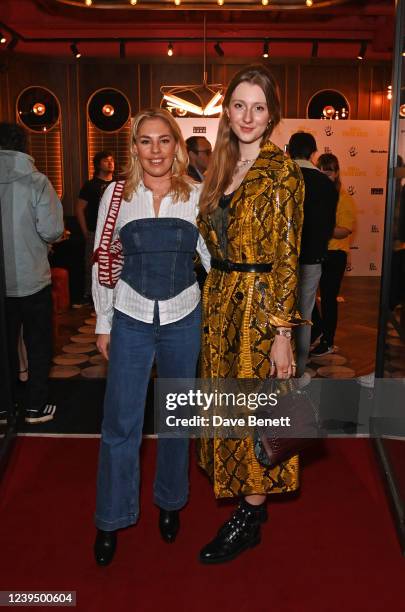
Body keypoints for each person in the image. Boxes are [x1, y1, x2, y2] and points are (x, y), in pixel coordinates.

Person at [197, 65, 305, 564]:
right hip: (220, 301)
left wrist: (282, 333)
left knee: (259, 411)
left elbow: (288, 258)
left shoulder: (281, 171)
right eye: (239, 105)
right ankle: (243, 499)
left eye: (258, 107)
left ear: (271, 115)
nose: (247, 116)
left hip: (259, 310)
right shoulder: (219, 168)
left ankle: (250, 515)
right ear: (227, 112)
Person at [92, 108, 210, 566]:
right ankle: (110, 518)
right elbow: (103, 260)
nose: (155, 150)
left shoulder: (198, 195)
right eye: (146, 141)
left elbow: (212, 259)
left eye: (164, 141)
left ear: (177, 146)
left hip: (184, 319)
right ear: (134, 146)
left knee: (177, 421)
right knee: (120, 423)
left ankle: (170, 502)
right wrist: (104, 322)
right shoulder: (117, 195)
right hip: (130, 318)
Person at [0, 122, 64, 425]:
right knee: (38, 343)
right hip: (31, 277)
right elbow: (51, 230)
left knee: (4, 344)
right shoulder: (36, 181)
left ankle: (4, 406)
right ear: (23, 145)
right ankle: (36, 407)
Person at [288, 132, 338, 375]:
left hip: (281, 260)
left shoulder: (280, 178)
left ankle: (276, 366)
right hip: (312, 257)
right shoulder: (326, 184)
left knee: (278, 312)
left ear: (288, 151)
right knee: (305, 312)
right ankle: (299, 367)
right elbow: (329, 226)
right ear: (313, 152)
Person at [311, 153, 356, 356]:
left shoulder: (344, 199)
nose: (325, 174)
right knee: (307, 296)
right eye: (321, 170)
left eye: (329, 171)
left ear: (336, 173)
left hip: (335, 255)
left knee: (328, 299)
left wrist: (323, 227)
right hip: (316, 252)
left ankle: (328, 340)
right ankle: (318, 330)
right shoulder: (316, 195)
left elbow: (345, 230)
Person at [75, 150, 115, 305]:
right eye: (106, 160)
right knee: (92, 265)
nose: (110, 163)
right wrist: (85, 231)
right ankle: (89, 296)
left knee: (114, 263)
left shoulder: (118, 184)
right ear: (98, 164)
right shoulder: (90, 185)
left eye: (112, 160)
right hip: (94, 231)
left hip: (115, 232)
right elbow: (79, 209)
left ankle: (112, 297)